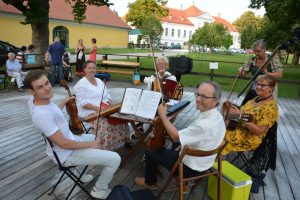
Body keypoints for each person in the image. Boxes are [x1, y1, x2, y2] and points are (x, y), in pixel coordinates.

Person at [25, 70, 120, 199]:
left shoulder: (36, 101)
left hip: (68, 141)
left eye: (47, 83)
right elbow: (64, 143)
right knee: (115, 158)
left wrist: (65, 101)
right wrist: (91, 144)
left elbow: (53, 112)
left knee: (97, 138)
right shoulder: (41, 115)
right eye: (40, 87)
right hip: (66, 154)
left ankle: (80, 172)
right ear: (31, 92)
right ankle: (99, 189)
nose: (47, 88)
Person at [135, 81, 226, 189]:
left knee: (150, 150)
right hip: (206, 162)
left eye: (204, 97)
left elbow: (175, 136)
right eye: (197, 94)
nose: (197, 99)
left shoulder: (204, 125)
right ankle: (182, 183)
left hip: (191, 168)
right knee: (176, 145)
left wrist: (163, 115)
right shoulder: (217, 116)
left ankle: (150, 182)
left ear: (215, 101)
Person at [74, 60, 132, 150]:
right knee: (106, 122)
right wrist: (98, 108)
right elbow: (83, 103)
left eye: (93, 68)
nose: (92, 70)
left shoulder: (99, 81)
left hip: (104, 108)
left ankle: (125, 139)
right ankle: (105, 147)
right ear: (84, 69)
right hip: (90, 112)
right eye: (89, 68)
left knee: (121, 117)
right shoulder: (80, 84)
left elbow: (107, 95)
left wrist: (108, 105)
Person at [222, 74, 279, 155]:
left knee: (219, 138)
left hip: (249, 137)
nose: (258, 87)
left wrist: (242, 116)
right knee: (215, 130)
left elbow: (259, 132)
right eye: (258, 84)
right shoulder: (256, 99)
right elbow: (243, 111)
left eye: (262, 85)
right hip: (237, 128)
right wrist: (231, 106)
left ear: (271, 88)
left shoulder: (271, 108)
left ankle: (208, 160)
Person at [239, 39, 282, 105]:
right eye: (255, 51)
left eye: (259, 51)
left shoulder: (272, 59)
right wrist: (241, 71)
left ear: (264, 49)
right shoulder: (251, 60)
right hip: (255, 88)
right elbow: (243, 74)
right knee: (249, 107)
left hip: (268, 89)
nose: (256, 53)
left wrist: (267, 73)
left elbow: (279, 75)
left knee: (264, 108)